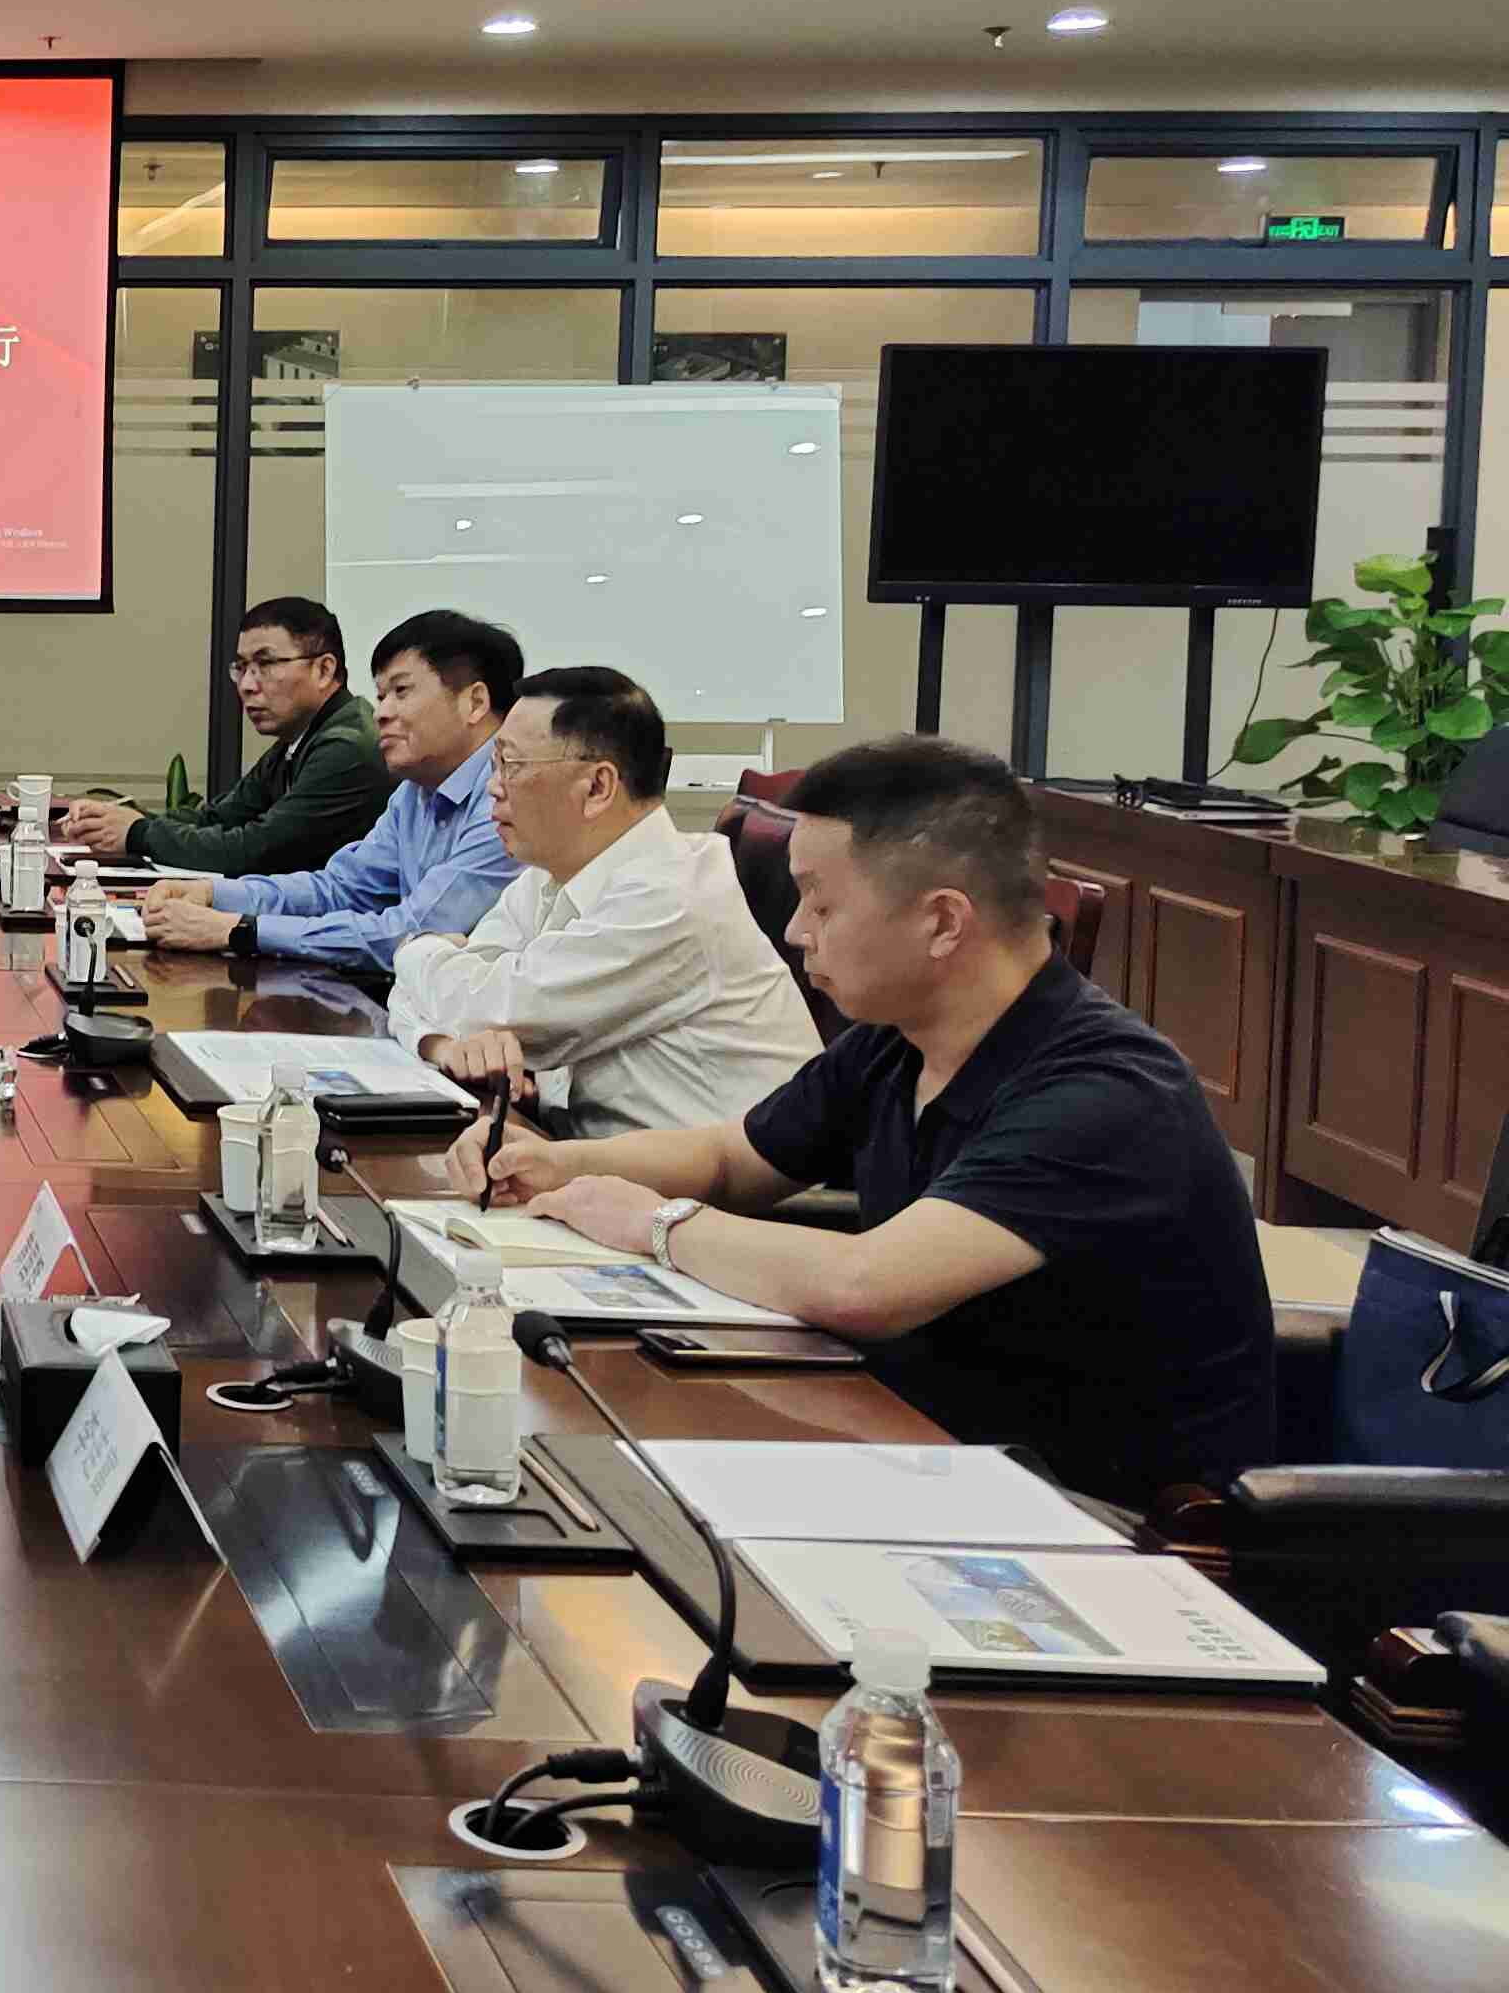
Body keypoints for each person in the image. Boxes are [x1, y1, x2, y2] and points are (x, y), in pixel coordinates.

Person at [455, 735, 1273, 1508]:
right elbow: (733, 1156)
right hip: (916, 1446)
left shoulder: (1107, 1094)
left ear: (943, 921)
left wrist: (655, 1223)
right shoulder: (899, 1039)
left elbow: (867, 1285)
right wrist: (565, 1165)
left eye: (820, 903)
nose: (794, 930)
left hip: (1097, 1519)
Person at [389, 666, 819, 1135]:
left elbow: (485, 1005)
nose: (494, 786)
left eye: (511, 764)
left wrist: (414, 948)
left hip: (720, 1179)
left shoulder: (669, 897)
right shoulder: (549, 874)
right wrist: (441, 1044)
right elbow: (445, 1001)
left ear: (597, 787)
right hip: (593, 1159)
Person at [137, 609, 522, 975]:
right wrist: (213, 894)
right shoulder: (415, 792)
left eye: (401, 691)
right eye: (381, 696)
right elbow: (340, 889)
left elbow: (413, 934)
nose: (381, 712)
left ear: (475, 703)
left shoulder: (511, 796)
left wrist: (240, 930)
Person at [59, 594, 392, 874]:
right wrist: (114, 822)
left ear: (324, 669)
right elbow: (219, 818)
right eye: (242, 667)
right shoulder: (299, 738)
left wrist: (137, 833)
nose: (247, 685)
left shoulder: (347, 747)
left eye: (266, 664)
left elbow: (253, 851)